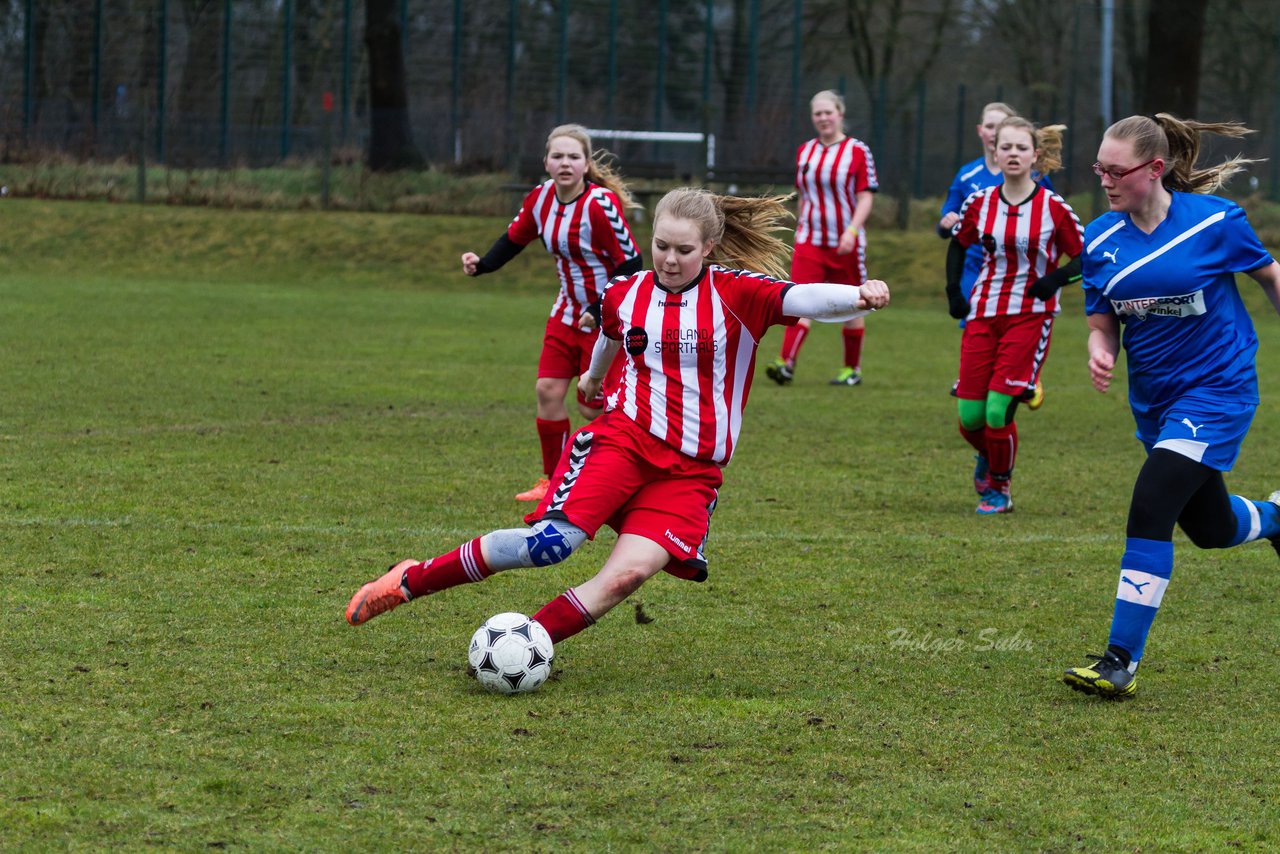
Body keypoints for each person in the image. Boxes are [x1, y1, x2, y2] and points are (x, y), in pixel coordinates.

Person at [347, 188, 891, 659]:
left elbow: (805, 296)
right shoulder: (624, 292)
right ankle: (409, 579)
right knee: (550, 546)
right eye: (661, 246)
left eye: (684, 250)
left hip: (690, 473)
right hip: (623, 442)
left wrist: (858, 294)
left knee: (627, 577)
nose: (670, 259)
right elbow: (612, 335)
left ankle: (523, 646)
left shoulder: (738, 295)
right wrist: (590, 380)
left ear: (708, 247)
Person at [1062, 114, 1280, 698]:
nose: (1104, 180)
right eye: (1098, 169)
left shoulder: (1214, 223)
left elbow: (1269, 277)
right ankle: (1278, 517)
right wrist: (1098, 348)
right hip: (1155, 403)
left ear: (1154, 169)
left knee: (1150, 505)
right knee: (1210, 528)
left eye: (1115, 170)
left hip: (1218, 391)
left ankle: (1119, 660)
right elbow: (1101, 319)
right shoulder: (1101, 239)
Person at [461, 124, 643, 502]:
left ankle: (633, 472)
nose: (565, 163)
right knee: (547, 390)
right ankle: (555, 483)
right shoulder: (540, 198)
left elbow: (632, 263)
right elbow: (514, 239)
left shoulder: (600, 204)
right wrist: (482, 264)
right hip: (565, 314)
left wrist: (598, 308)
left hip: (606, 319)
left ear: (586, 164)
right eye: (557, 156)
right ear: (545, 162)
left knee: (594, 407)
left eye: (573, 157)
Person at [945, 117, 1083, 514]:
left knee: (995, 410)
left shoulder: (1053, 208)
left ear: (1035, 155)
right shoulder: (980, 202)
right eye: (1006, 147)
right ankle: (991, 454)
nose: (1013, 154)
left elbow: (1085, 258)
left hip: (1030, 317)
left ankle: (999, 490)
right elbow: (958, 245)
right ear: (995, 151)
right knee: (969, 418)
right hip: (983, 313)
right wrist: (954, 291)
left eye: (1021, 148)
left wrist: (1053, 280)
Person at [938, 101, 1054, 409]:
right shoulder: (968, 175)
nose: (993, 133)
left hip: (1019, 272)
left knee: (1008, 330)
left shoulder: (1036, 177)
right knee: (971, 322)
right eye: (989, 127)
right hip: (975, 265)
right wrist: (946, 221)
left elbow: (1051, 215)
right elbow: (948, 215)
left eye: (1000, 126)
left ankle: (1022, 375)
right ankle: (978, 379)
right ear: (982, 132)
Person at [765, 90, 879, 387]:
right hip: (810, 240)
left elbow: (866, 196)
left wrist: (852, 230)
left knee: (856, 300)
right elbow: (804, 195)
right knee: (799, 298)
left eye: (829, 112)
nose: (824, 118)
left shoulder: (857, 151)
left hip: (845, 242)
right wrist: (801, 225)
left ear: (840, 114)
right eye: (818, 113)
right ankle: (786, 362)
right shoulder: (806, 151)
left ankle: (851, 369)